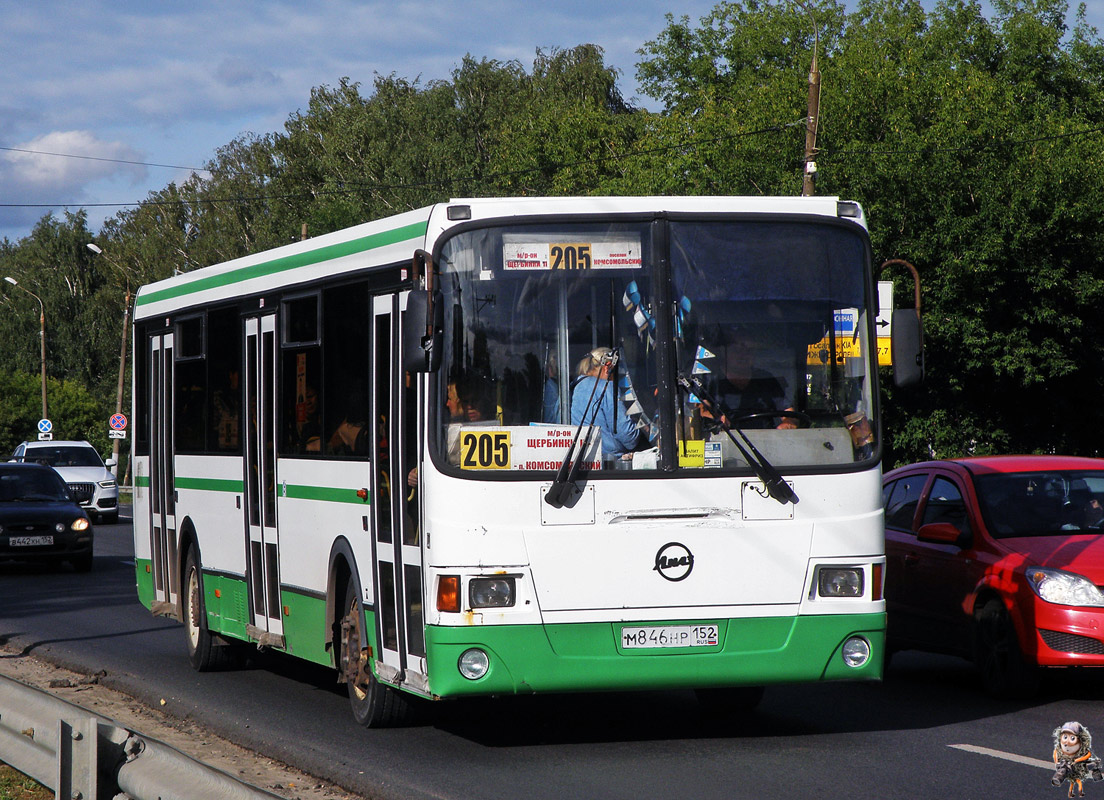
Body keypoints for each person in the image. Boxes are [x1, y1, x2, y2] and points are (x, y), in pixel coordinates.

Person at [702, 330, 796, 431]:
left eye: (749, 350)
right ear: (724, 351)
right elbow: (699, 412)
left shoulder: (766, 379)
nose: (743, 355)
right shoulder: (710, 381)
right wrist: (716, 419)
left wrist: (788, 423)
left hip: (763, 442)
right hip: (723, 441)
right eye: (737, 350)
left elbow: (789, 413)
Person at [570, 347, 639, 458]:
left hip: (580, 460)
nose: (616, 379)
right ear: (607, 368)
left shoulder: (573, 389)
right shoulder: (606, 387)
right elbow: (627, 435)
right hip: (608, 463)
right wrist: (641, 429)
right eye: (616, 373)